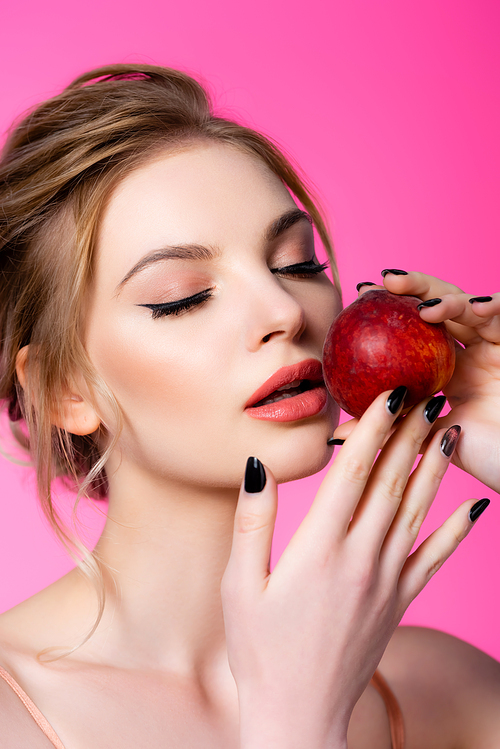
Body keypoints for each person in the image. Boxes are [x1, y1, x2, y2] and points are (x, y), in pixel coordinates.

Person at [0, 63, 498, 749]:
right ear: (65, 389)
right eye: (182, 296)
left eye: (296, 265)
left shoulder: (443, 688)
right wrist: (298, 724)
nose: (284, 311)